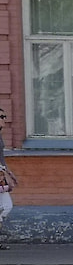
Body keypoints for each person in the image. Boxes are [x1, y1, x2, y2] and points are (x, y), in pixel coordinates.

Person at [0, 107, 17, 250]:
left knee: (6, 207)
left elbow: (1, 159)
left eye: (4, 116)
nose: (4, 119)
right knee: (5, 206)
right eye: (1, 116)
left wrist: (9, 173)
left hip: (0, 176)